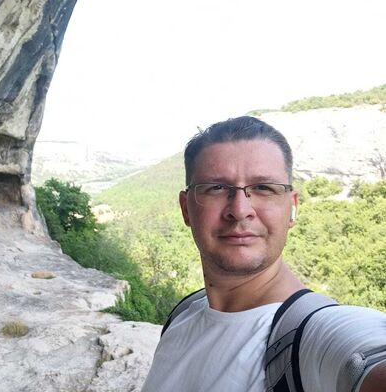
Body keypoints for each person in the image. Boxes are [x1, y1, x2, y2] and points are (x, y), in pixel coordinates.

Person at [141, 116, 386, 392]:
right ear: (186, 209)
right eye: (216, 188)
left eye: (263, 188)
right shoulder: (184, 316)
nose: (240, 210)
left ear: (292, 208)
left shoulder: (314, 337)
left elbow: (364, 355)